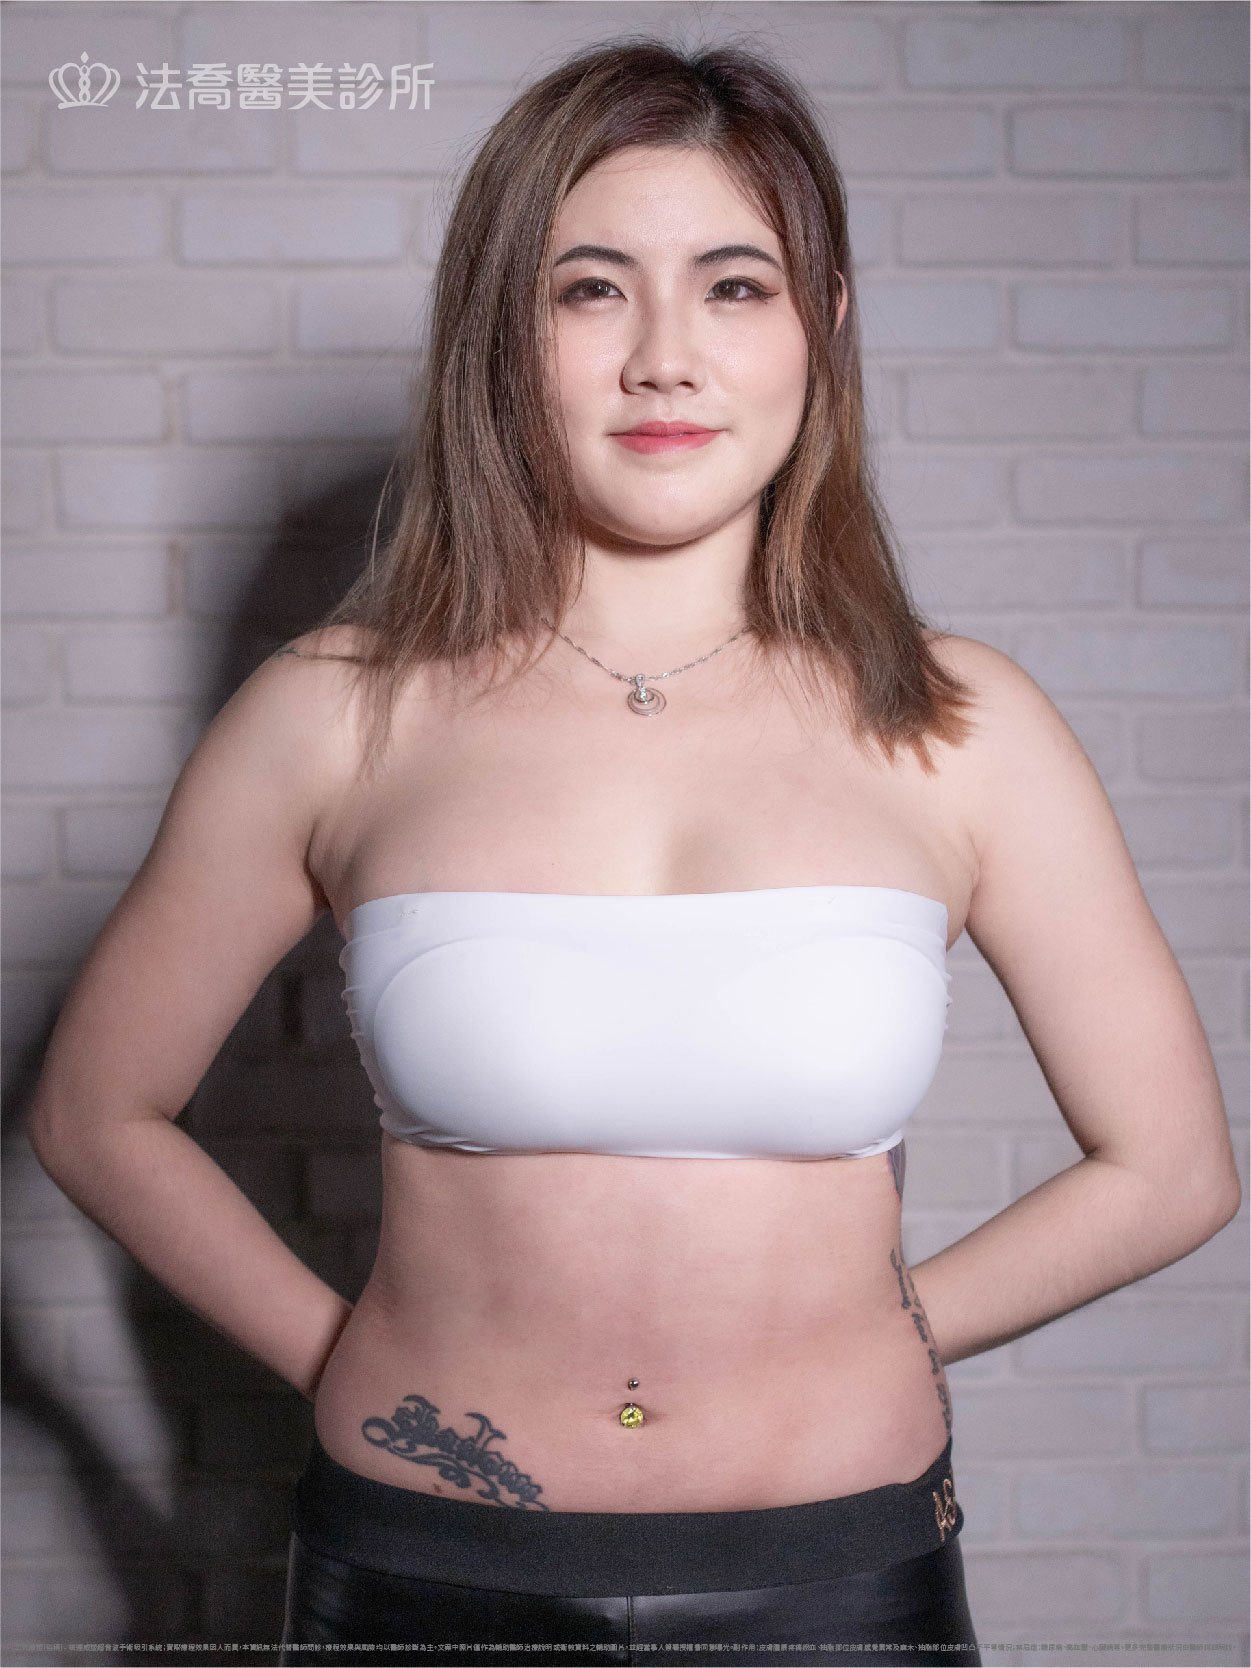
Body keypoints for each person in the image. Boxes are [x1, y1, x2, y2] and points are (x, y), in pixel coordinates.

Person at [26, 35, 1239, 1668]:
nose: (666, 358)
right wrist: (340, 1358)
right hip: (422, 1569)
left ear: (824, 326)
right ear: (500, 336)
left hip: (834, 1584)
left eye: (736, 286)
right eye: (591, 290)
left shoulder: (963, 725)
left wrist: (891, 1327)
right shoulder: (336, 712)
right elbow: (95, 1112)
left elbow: (1171, 1169)